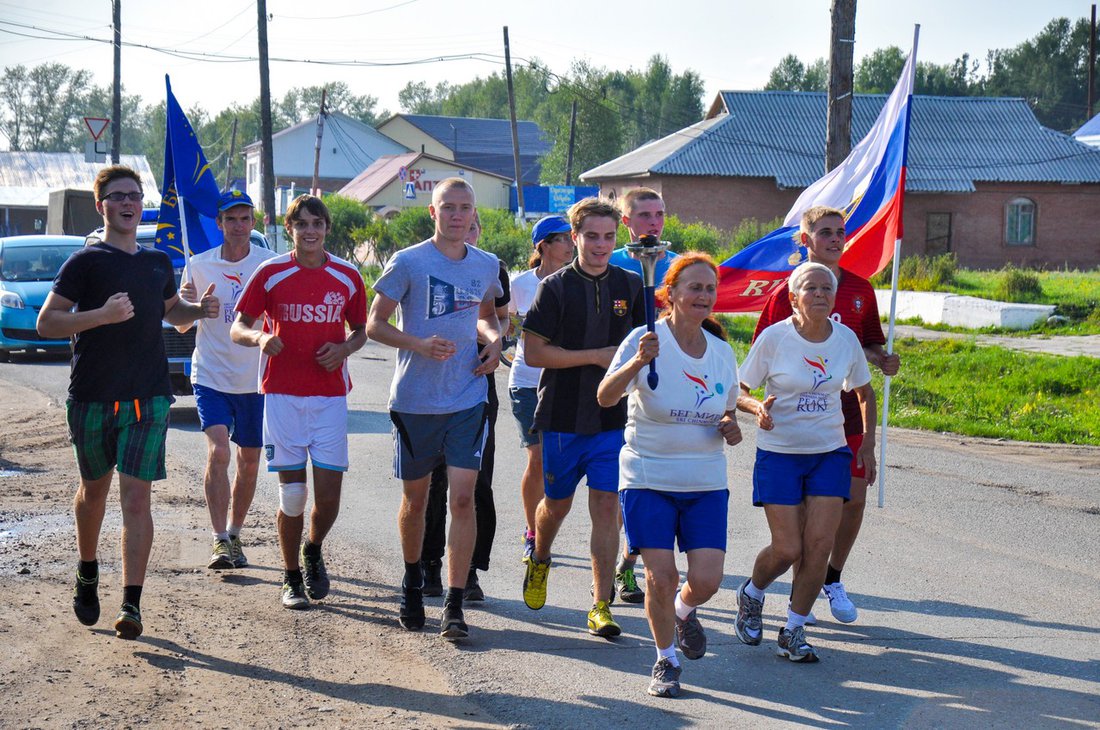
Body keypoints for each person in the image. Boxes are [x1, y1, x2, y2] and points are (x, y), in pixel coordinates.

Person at [37, 164, 222, 639]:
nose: (128, 203)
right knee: (94, 491)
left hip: (149, 396)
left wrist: (197, 311)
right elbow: (47, 323)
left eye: (134, 196)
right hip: (94, 397)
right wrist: (101, 315)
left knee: (137, 499)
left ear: (142, 204)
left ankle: (131, 604)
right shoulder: (85, 262)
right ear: (102, 206)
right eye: (118, 196)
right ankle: (87, 567)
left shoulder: (158, 262)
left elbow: (169, 313)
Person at [597, 253, 747, 697]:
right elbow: (606, 397)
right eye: (694, 287)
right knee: (660, 576)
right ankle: (665, 659)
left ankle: (683, 611)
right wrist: (636, 363)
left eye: (709, 289)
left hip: (704, 481)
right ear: (672, 293)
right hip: (648, 475)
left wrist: (731, 427)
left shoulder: (721, 351)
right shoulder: (646, 339)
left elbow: (726, 409)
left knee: (707, 580)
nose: (703, 296)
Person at [367, 178, 502, 640]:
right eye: (449, 208)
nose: (457, 216)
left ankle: (454, 602)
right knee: (418, 500)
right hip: (415, 401)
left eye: (465, 208)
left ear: (473, 213)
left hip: (468, 396)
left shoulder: (487, 264)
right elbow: (374, 325)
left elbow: (486, 314)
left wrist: (494, 339)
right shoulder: (408, 262)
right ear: (433, 212)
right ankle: (410, 581)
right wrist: (418, 344)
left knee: (463, 497)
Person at [753, 206, 900, 623]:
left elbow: (868, 342)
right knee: (803, 517)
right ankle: (803, 593)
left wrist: (881, 358)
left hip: (848, 419)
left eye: (840, 232)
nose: (835, 239)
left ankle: (831, 578)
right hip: (797, 425)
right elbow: (770, 347)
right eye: (825, 232)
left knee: (852, 502)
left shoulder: (859, 289)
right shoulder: (787, 292)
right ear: (806, 239)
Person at [230, 194, 368, 611]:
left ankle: (312, 547)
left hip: (328, 400)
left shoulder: (347, 275)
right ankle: (291, 577)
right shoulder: (270, 272)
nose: (310, 230)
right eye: (302, 223)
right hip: (282, 397)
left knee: (327, 500)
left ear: (327, 228)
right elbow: (239, 327)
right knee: (292, 497)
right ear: (289, 229)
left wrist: (343, 350)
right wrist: (260, 337)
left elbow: (361, 330)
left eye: (317, 223)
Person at [736, 261, 877, 663]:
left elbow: (864, 392)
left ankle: (794, 630)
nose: (819, 295)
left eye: (826, 290)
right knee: (787, 547)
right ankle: (752, 593)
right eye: (810, 289)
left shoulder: (845, 339)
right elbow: (739, 388)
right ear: (793, 297)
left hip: (829, 452)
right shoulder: (774, 339)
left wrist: (866, 444)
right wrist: (756, 407)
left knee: (819, 545)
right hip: (780, 453)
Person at [520, 197, 645, 638]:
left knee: (607, 508)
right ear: (574, 238)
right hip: (562, 416)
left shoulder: (631, 285)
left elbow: (645, 347)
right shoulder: (554, 287)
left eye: (609, 237)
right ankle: (540, 556)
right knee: (555, 507)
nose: (600, 245)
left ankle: (600, 605)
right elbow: (534, 353)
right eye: (591, 236)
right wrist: (595, 356)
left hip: (613, 419)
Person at [176, 190, 276, 571]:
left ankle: (235, 532)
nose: (238, 226)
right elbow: (182, 324)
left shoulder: (269, 264)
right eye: (230, 219)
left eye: (244, 218)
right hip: (212, 374)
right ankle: (219, 540)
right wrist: (195, 307)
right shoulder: (198, 266)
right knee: (219, 451)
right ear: (218, 223)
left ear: (253, 223)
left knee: (248, 461)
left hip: (255, 379)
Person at [420, 210, 509, 601]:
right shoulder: (423, 264)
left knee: (474, 483)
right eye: (460, 226)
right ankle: (429, 565)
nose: (466, 234)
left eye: (473, 227)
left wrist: (495, 341)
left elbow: (498, 319)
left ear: (478, 228)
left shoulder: (492, 269)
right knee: (433, 480)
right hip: (430, 385)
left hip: (476, 383)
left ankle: (469, 568)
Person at [605, 186, 679, 603]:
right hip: (620, 379)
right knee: (623, 484)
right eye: (645, 215)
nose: (654, 222)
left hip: (667, 384)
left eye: (660, 214)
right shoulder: (612, 263)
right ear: (627, 221)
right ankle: (616, 564)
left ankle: (628, 565)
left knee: (652, 483)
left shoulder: (676, 265)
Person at [507, 215, 575, 562]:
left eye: (570, 237)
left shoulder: (577, 281)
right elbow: (511, 331)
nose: (569, 244)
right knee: (536, 458)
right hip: (527, 382)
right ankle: (532, 533)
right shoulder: (520, 285)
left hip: (566, 383)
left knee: (557, 462)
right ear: (543, 246)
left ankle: (546, 527)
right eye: (562, 238)